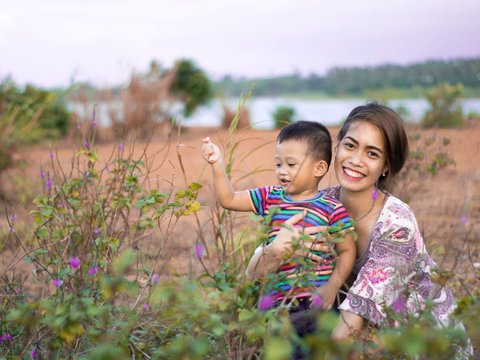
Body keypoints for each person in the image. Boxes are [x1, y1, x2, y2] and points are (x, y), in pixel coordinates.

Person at [245, 103, 473, 356]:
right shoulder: (321, 204)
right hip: (353, 331)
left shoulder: (397, 226)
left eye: (372, 154)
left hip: (420, 342)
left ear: (386, 166)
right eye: (350, 145)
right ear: (338, 145)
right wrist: (274, 251)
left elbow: (349, 328)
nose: (355, 160)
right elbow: (251, 278)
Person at [201, 121, 356, 312]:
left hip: (314, 299)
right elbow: (229, 199)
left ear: (319, 168)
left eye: (291, 164)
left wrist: (332, 286)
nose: (282, 171)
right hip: (274, 301)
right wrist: (217, 165)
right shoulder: (270, 197)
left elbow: (347, 250)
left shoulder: (332, 208)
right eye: (278, 163)